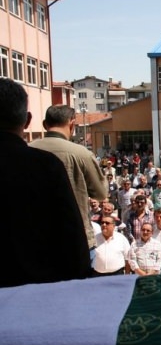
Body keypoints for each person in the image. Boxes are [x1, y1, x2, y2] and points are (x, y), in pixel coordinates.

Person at [0, 78, 90, 287]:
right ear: (27, 120)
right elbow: (72, 238)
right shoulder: (46, 166)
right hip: (39, 288)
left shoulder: (48, 164)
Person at [30, 104, 108, 250]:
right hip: (75, 236)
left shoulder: (27, 150)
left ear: (45, 124)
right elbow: (101, 193)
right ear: (72, 125)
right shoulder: (81, 153)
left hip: (36, 235)